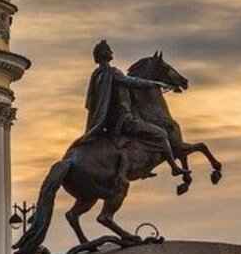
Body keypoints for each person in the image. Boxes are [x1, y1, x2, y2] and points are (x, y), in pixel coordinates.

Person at [75, 41, 184, 181]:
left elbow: (91, 103)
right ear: (104, 54)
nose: (112, 52)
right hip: (124, 121)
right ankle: (174, 168)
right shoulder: (112, 73)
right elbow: (132, 82)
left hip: (109, 124)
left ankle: (143, 167)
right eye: (109, 50)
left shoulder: (96, 76)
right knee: (161, 134)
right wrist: (154, 84)